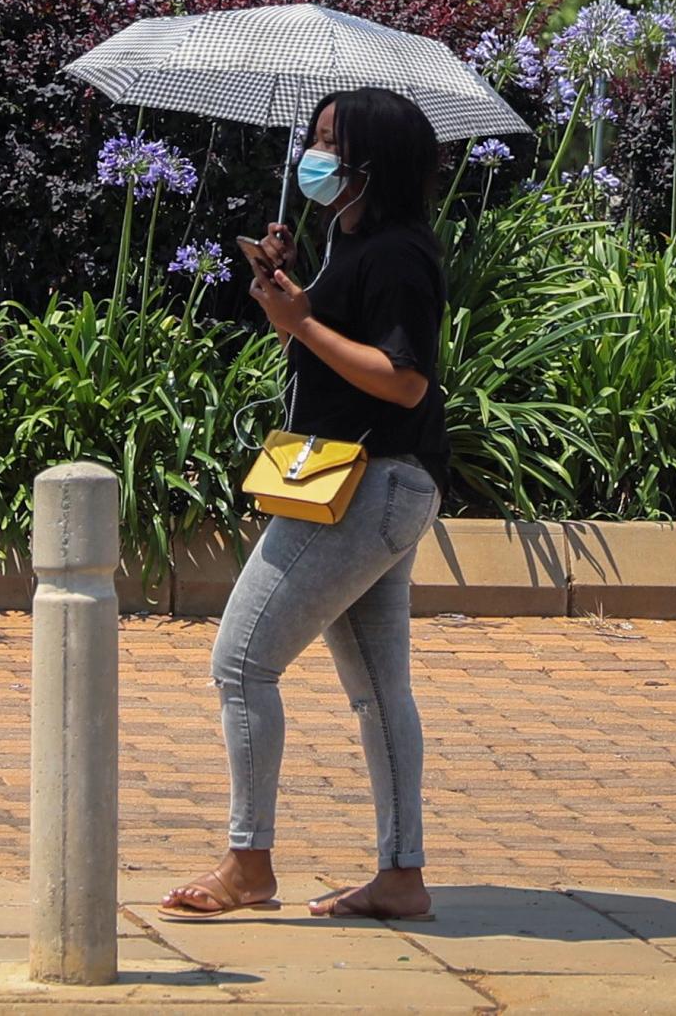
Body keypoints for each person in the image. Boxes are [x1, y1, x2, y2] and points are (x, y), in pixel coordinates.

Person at [161, 86, 449, 923]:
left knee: (242, 661)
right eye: (314, 139)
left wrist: (305, 323)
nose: (314, 159)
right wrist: (288, 293)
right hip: (373, 481)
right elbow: (327, 354)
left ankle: (248, 863)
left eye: (332, 145)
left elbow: (403, 379)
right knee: (378, 690)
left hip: (366, 481)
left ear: (374, 166)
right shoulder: (346, 241)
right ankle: (402, 873)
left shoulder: (400, 253)